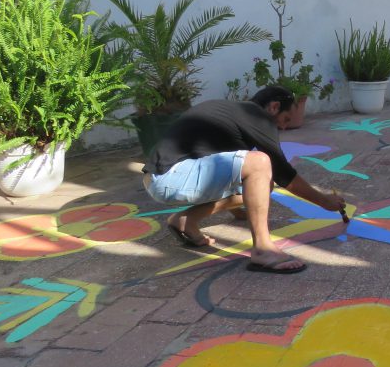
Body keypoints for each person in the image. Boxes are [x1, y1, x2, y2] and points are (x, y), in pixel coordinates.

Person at [143, 86, 345, 274]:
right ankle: (263, 249)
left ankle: (186, 220)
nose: (283, 128)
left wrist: (237, 208)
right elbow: (283, 173)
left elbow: (223, 165)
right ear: (274, 107)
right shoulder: (258, 117)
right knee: (260, 163)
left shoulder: (234, 115)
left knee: (262, 185)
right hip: (170, 176)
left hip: (160, 178)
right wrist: (324, 201)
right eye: (285, 119)